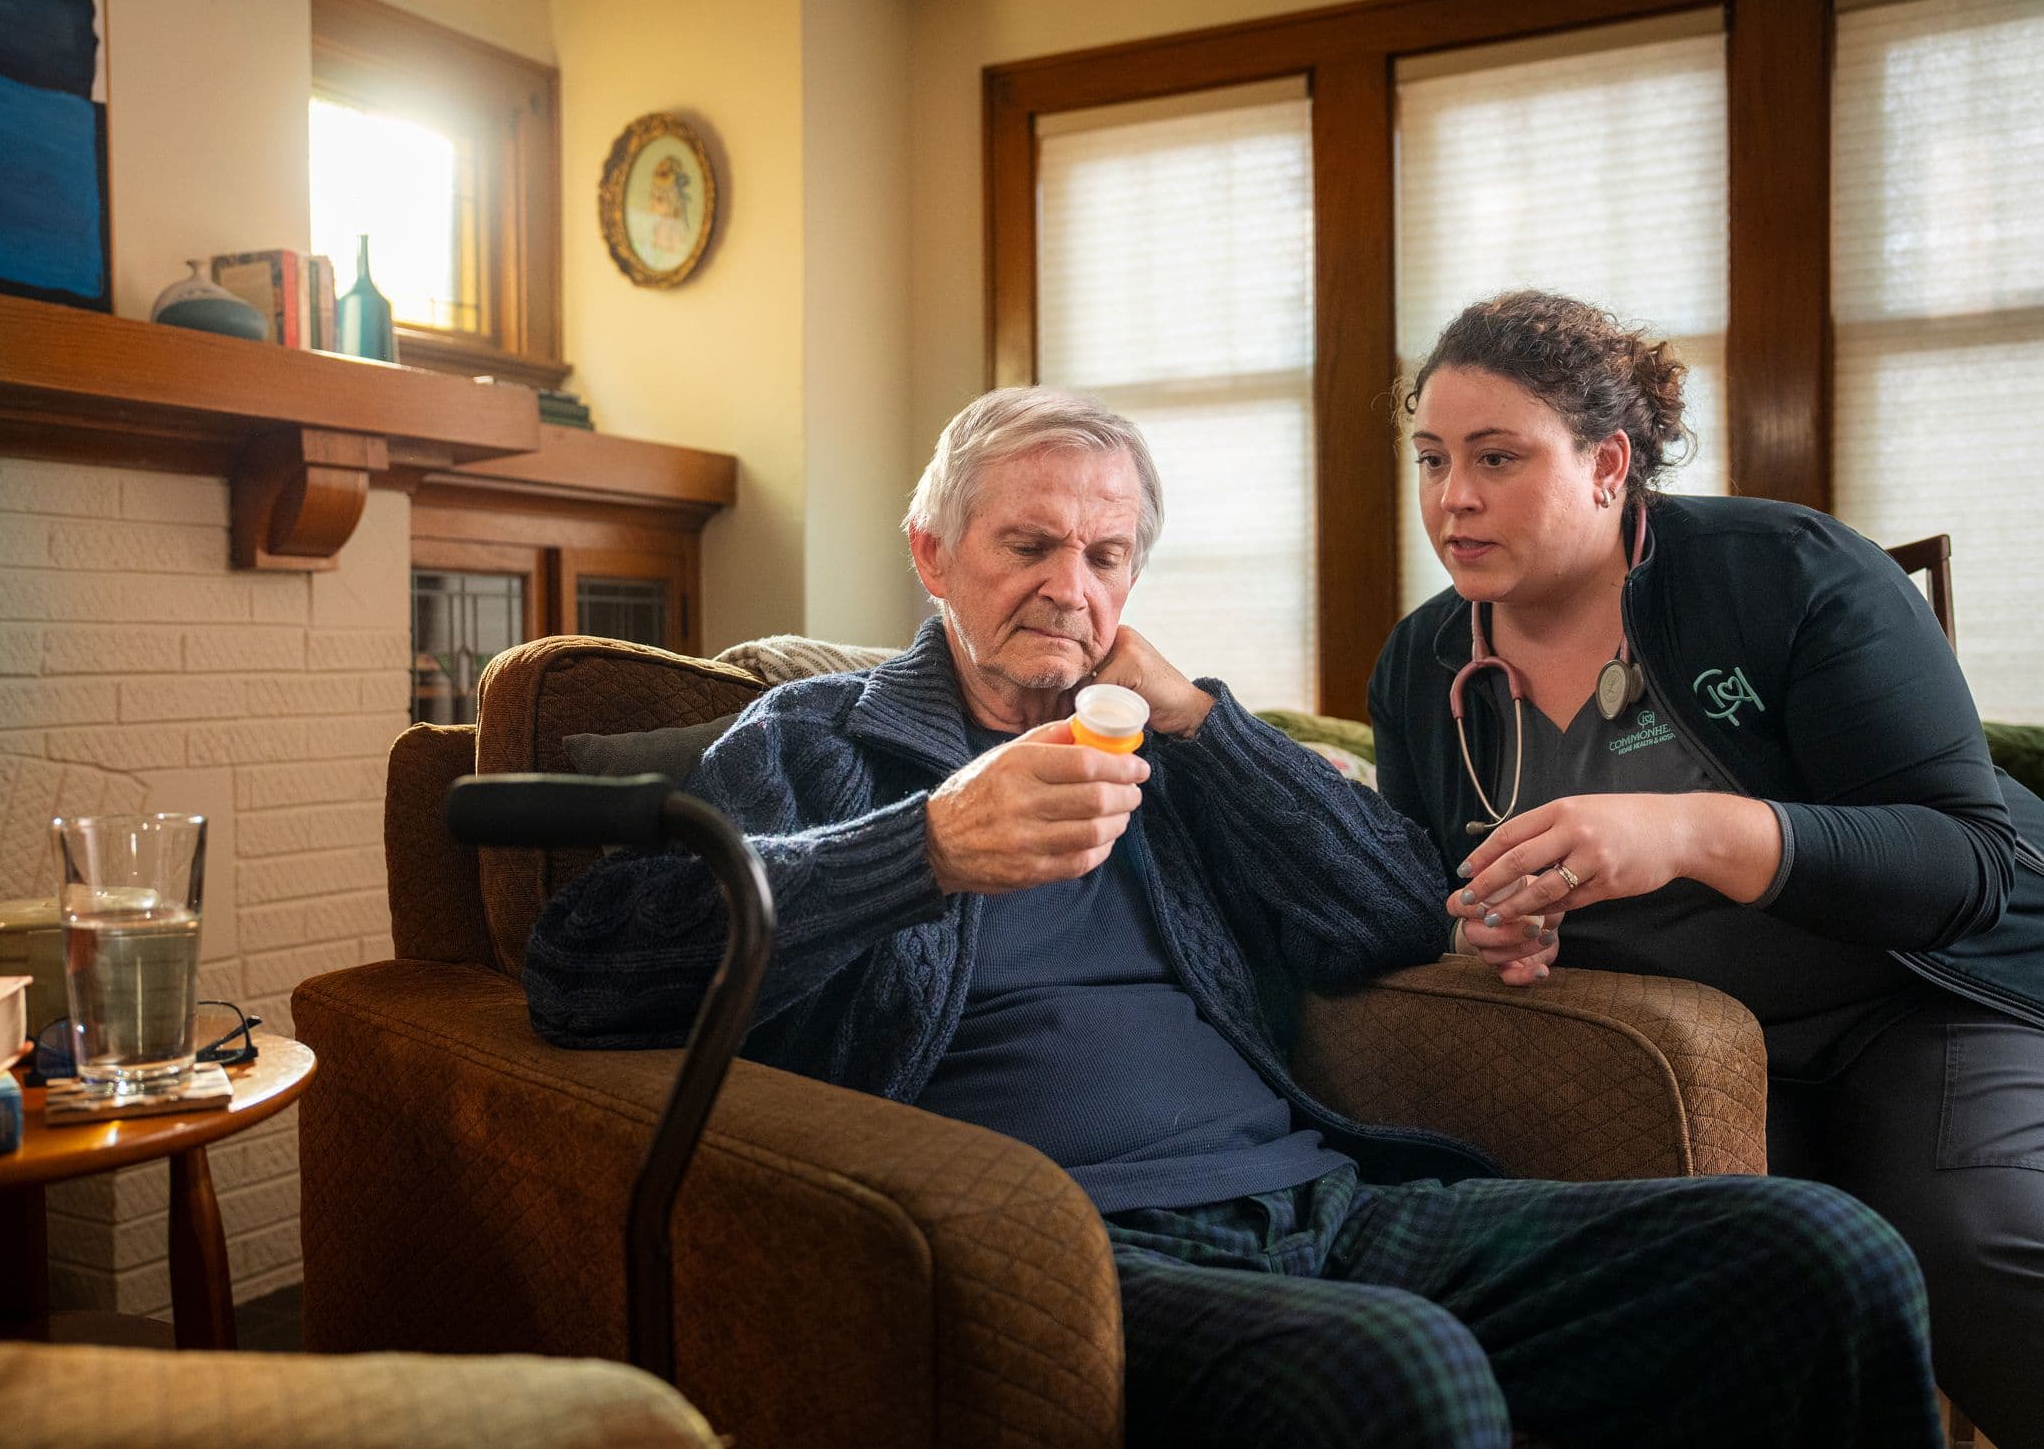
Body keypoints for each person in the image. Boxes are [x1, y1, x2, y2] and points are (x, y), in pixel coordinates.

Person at [530, 385, 1941, 1448]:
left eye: (1106, 555)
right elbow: (584, 974)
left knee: (1822, 1253)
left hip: (1324, 1205)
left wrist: (1204, 720)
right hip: (1070, 1248)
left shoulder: (1167, 747)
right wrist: (925, 849)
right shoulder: (813, 741)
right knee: (1394, 1369)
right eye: (1028, 544)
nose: (1069, 588)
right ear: (933, 552)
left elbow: (1392, 914)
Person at [1371, 290, 2044, 1449]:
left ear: (1607, 464)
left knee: (1968, 1235)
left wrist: (1689, 831)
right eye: (1432, 458)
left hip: (1920, 1001)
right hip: (1695, 1045)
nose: (1452, 497)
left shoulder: (1788, 573)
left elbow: (1965, 862)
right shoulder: (1422, 662)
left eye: (1496, 457)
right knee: (1732, 1288)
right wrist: (1487, 925)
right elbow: (1425, 885)